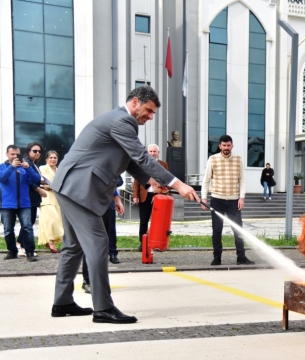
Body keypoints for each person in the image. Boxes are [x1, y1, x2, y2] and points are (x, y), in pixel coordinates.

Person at [50, 85, 199, 324]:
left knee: (73, 246)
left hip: (70, 186)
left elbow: (130, 161)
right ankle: (103, 308)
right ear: (136, 102)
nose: (150, 117)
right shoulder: (122, 121)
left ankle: (63, 302)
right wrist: (179, 184)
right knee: (98, 244)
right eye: (149, 111)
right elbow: (141, 157)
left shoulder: (118, 121)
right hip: (79, 189)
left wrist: (151, 184)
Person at [201, 134, 255, 266]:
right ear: (219, 146)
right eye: (224, 145)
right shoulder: (212, 159)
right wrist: (203, 198)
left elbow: (242, 180)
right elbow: (206, 180)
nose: (226, 148)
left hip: (234, 201)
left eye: (228, 145)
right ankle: (217, 258)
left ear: (232, 146)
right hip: (217, 200)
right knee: (217, 230)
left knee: (238, 229)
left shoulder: (238, 159)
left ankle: (241, 257)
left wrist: (242, 197)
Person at [0, 145, 40, 262]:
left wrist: (28, 168)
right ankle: (12, 251)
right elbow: (2, 178)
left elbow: (36, 179)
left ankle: (29, 252)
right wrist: (11, 168)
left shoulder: (24, 167)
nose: (15, 156)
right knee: (8, 229)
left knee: (27, 228)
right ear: (7, 154)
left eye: (17, 154)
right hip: (7, 204)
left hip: (24, 204)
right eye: (12, 154)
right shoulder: (2, 167)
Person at [82, 185, 125, 293]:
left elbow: (113, 179)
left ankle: (98, 281)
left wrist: (117, 199)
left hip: (107, 202)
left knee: (104, 242)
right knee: (91, 242)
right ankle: (88, 281)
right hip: (89, 202)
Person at [132, 144, 169, 251]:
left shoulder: (164, 165)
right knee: (144, 220)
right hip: (145, 196)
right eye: (151, 151)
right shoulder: (142, 164)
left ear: (158, 152)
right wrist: (135, 195)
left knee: (158, 221)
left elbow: (167, 179)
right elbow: (136, 181)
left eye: (154, 151)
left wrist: (166, 192)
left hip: (158, 196)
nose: (152, 153)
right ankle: (142, 243)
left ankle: (157, 242)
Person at [17, 142, 47, 257]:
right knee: (28, 222)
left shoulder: (34, 163)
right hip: (28, 195)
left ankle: (21, 244)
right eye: (35, 151)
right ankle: (23, 246)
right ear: (28, 151)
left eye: (39, 151)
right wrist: (38, 189)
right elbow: (26, 179)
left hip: (33, 197)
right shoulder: (25, 162)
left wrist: (41, 182)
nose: (37, 153)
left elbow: (34, 178)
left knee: (30, 221)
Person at [39, 150, 64, 253]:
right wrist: (53, 186)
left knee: (57, 220)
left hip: (57, 198)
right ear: (46, 159)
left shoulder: (59, 170)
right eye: (51, 157)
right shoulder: (43, 168)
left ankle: (50, 241)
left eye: (55, 158)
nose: (53, 160)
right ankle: (51, 243)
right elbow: (46, 182)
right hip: (46, 197)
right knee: (52, 220)